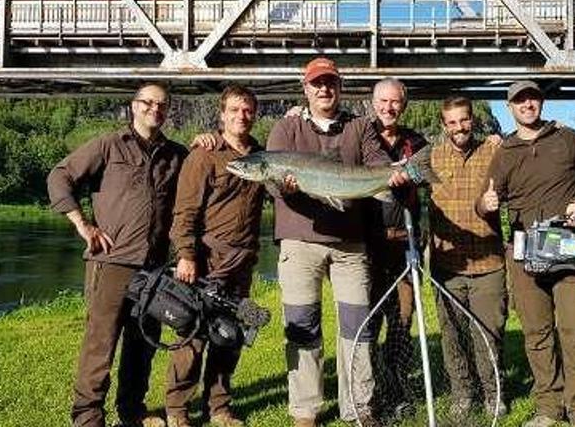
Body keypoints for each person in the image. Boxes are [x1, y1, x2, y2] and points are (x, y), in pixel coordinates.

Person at [268, 57, 408, 427]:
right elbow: (272, 187)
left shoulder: (359, 126)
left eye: (330, 82)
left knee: (357, 327)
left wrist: (391, 176)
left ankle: (359, 407)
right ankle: (305, 410)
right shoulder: (286, 129)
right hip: (300, 242)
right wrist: (282, 185)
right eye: (317, 83)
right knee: (302, 325)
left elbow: (379, 161)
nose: (324, 89)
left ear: (339, 87)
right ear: (306, 88)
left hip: (350, 245)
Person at [47, 83, 188, 427]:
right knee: (101, 343)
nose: (155, 109)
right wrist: (82, 224)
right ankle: (87, 416)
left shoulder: (175, 154)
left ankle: (133, 412)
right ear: (133, 106)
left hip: (155, 268)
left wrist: (207, 141)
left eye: (162, 105)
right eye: (148, 103)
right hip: (111, 263)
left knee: (142, 345)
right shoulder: (109, 145)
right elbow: (59, 176)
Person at [476, 80, 575, 427]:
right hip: (524, 254)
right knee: (537, 335)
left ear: (541, 102)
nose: (527, 104)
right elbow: (485, 201)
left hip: (570, 248)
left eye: (532, 97)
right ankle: (549, 409)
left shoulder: (566, 138)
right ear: (510, 107)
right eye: (519, 100)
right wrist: (486, 204)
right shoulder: (503, 151)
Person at [163, 84, 265, 427]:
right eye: (235, 110)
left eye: (248, 110)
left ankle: (219, 407)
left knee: (229, 335)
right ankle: (177, 409)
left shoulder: (261, 155)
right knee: (191, 336)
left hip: (242, 263)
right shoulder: (204, 154)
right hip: (205, 260)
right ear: (222, 114)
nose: (242, 116)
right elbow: (185, 211)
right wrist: (186, 255)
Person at [427, 96, 508, 418]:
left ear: (473, 119)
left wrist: (554, 126)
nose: (459, 127)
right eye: (452, 122)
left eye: (464, 120)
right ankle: (463, 395)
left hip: (489, 265)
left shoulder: (494, 150)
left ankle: (494, 394)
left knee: (488, 335)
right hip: (447, 267)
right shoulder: (430, 157)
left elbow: (526, 144)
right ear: (443, 125)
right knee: (453, 336)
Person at [361, 78, 427, 400]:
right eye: (383, 101)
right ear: (373, 102)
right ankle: (371, 392)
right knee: (368, 320)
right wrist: (297, 113)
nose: (389, 108)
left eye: (395, 102)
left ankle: (399, 388)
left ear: (404, 104)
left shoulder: (416, 142)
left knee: (402, 320)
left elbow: (434, 174)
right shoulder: (359, 134)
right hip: (368, 245)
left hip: (405, 244)